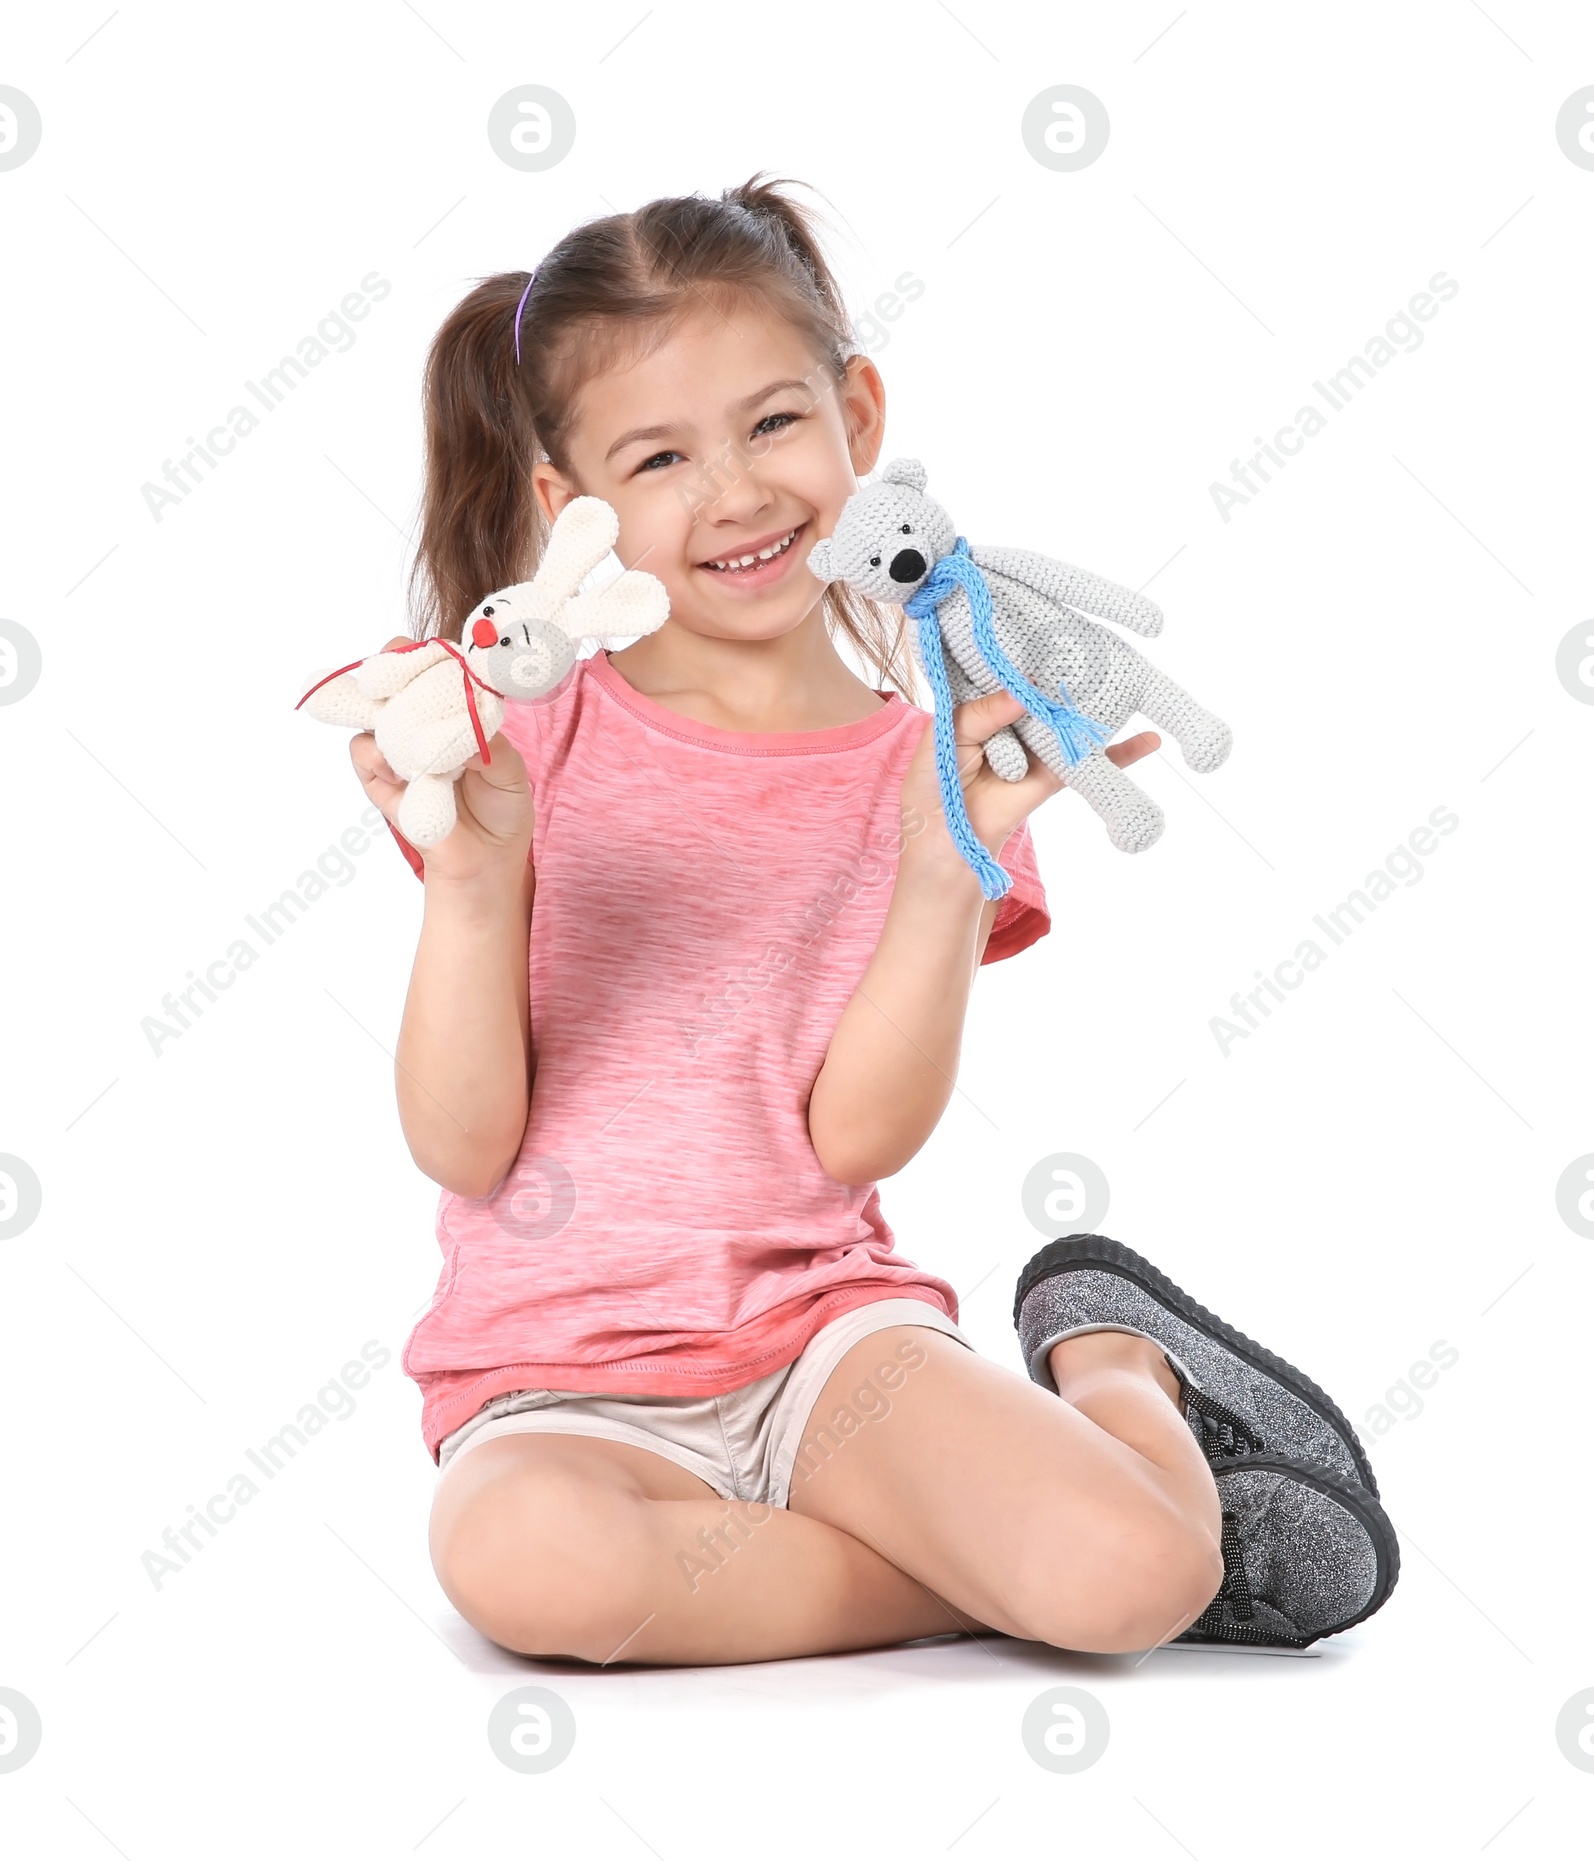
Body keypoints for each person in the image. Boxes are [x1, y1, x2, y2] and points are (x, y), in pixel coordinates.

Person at [348, 174, 1397, 1668]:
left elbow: (856, 1143)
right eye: (658, 457)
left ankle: (1110, 1359)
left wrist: (939, 864)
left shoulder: (938, 767)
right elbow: (463, 1143)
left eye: (774, 423)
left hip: (826, 1351)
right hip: (560, 1391)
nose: (737, 492)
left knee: (1129, 1584)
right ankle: (991, 1565)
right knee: (526, 1567)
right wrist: (474, 882)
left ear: (859, 410)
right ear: (564, 507)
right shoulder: (523, 745)